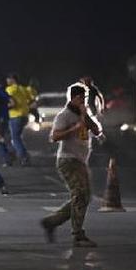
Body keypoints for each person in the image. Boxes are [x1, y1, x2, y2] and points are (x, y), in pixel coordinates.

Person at [41, 85, 101, 247]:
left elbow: (96, 130)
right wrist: (74, 128)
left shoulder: (84, 115)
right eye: (80, 98)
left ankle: (52, 222)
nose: (83, 101)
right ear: (73, 98)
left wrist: (84, 115)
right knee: (80, 194)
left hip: (80, 160)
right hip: (68, 160)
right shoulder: (64, 115)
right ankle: (78, 235)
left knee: (82, 196)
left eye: (85, 98)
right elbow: (54, 136)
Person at [6, 73, 32, 165]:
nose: (6, 81)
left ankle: (23, 157)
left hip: (15, 116)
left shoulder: (10, 89)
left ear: (12, 79)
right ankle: (17, 156)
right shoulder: (23, 89)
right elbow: (31, 99)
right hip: (24, 116)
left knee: (15, 138)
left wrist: (5, 107)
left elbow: (11, 103)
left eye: (8, 79)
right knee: (17, 137)